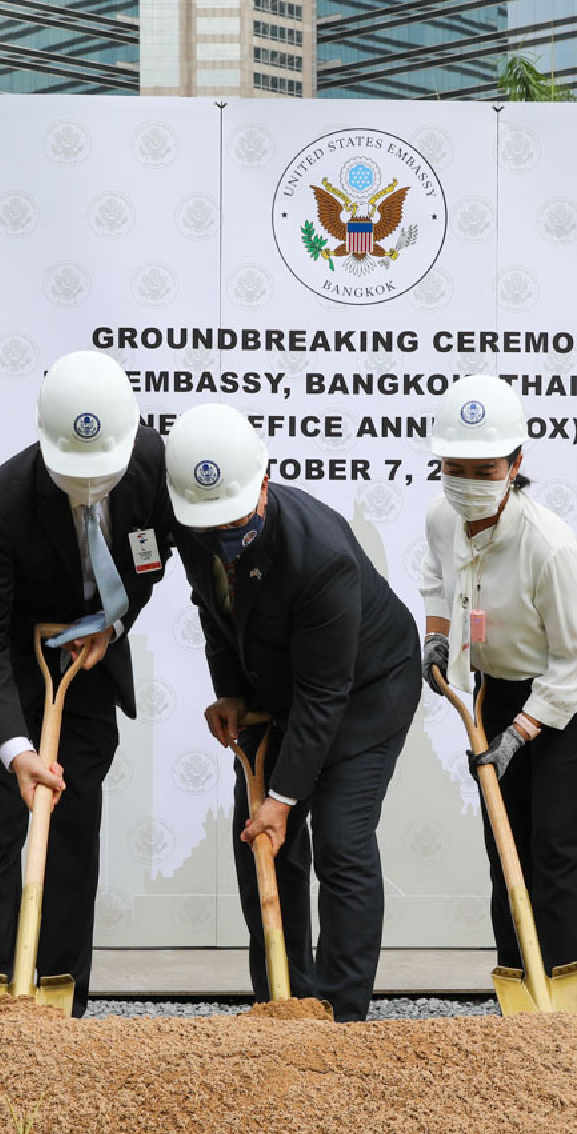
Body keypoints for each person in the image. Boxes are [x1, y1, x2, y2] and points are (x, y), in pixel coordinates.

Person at [0, 349, 174, 1015]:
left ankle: (61, 1001)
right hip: (3, 666)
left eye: (106, 474)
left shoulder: (151, 462)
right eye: (77, 477)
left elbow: (157, 553)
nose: (93, 487)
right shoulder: (0, 505)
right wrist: (17, 750)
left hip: (87, 663)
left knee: (73, 830)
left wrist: (114, 624)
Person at [165, 403, 418, 1021]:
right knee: (260, 843)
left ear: (265, 482)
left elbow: (325, 695)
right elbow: (216, 611)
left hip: (365, 694)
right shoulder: (195, 526)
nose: (223, 535)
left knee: (340, 840)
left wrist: (281, 797)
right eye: (211, 525)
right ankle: (283, 1003)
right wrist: (230, 691)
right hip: (275, 695)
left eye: (235, 520)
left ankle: (341, 1015)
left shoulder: (320, 555)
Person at [418, 376, 577, 980]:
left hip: (575, 682)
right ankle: (517, 974)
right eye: (455, 467)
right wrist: (435, 635)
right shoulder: (441, 517)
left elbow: (573, 659)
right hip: (498, 680)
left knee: (556, 838)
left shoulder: (548, 546)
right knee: (504, 832)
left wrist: (521, 733)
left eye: (485, 470)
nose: (468, 482)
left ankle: (561, 982)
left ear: (515, 464)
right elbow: (437, 579)